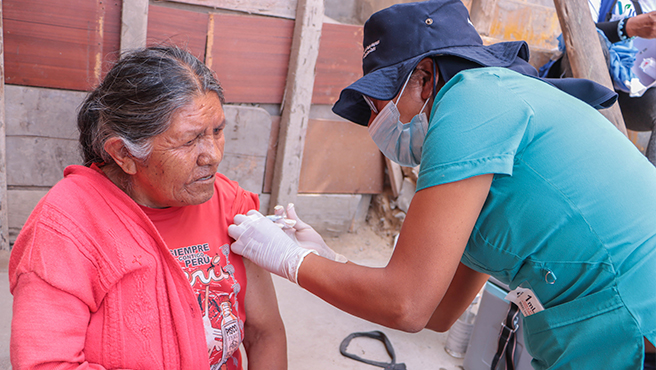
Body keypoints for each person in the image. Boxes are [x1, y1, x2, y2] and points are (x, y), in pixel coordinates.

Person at [227, 1, 656, 369]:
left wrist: (291, 259)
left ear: (426, 77)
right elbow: (438, 311)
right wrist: (328, 258)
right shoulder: (494, 127)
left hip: (637, 318)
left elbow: (407, 305)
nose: (376, 123)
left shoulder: (472, 100)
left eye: (380, 104)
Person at [8, 46, 287, 370]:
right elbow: (47, 363)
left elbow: (264, 333)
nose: (212, 154)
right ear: (124, 154)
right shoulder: (65, 230)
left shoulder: (229, 205)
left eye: (217, 131)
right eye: (189, 140)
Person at [542, 0, 656, 165]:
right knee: (594, 39)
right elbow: (577, 34)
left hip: (628, 98)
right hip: (580, 80)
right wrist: (627, 27)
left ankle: (649, 187)